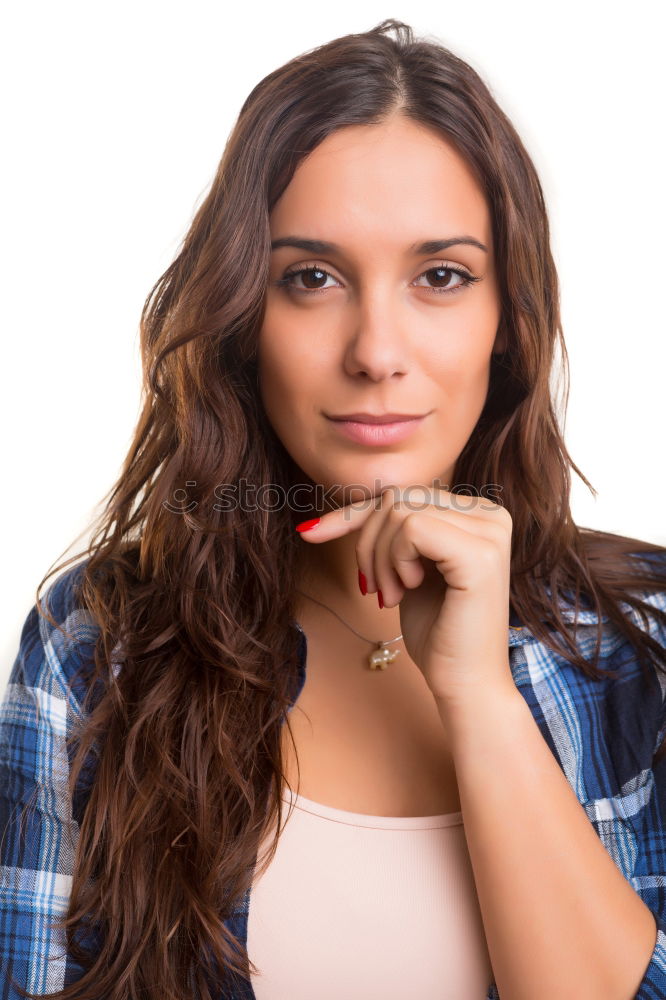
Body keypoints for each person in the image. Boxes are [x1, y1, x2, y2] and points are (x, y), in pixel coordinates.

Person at [1, 17, 665, 1000]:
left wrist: (479, 696)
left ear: (509, 322)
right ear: (241, 318)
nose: (376, 350)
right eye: (311, 278)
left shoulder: (642, 639)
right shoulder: (100, 643)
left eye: (441, 276)